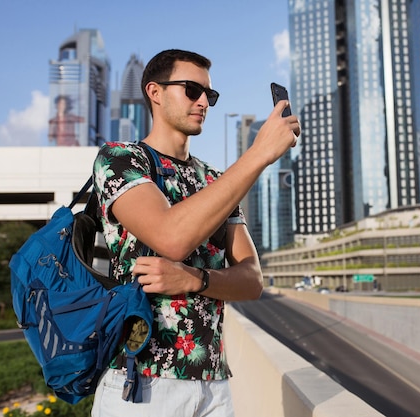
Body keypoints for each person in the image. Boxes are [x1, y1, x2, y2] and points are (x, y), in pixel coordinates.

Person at [90, 49, 300, 417]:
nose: (204, 102)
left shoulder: (216, 180)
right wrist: (259, 154)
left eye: (210, 95)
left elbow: (252, 281)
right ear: (154, 92)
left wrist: (195, 279)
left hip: (214, 385)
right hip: (143, 384)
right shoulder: (121, 159)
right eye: (192, 90)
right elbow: (171, 238)